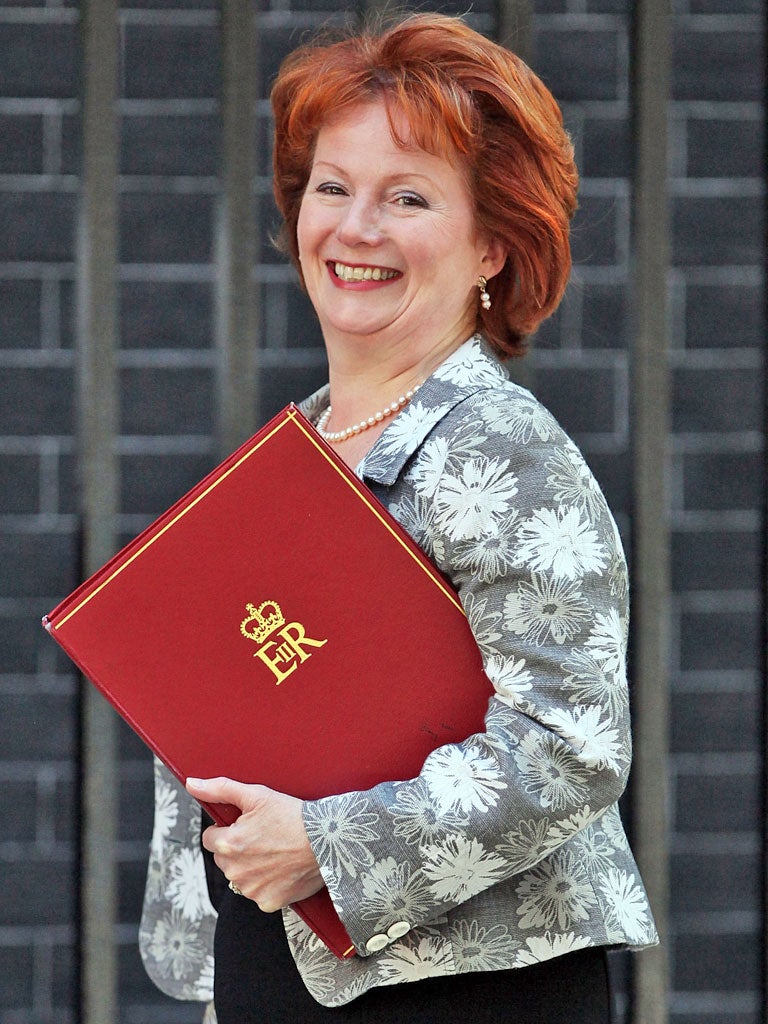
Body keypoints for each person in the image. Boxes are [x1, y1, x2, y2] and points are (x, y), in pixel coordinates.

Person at [140, 13, 658, 1022]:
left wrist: (327, 844)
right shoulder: (297, 441)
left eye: (407, 197)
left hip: (469, 992)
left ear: (492, 247)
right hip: (281, 967)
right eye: (332, 187)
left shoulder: (504, 449)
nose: (355, 228)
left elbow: (572, 743)